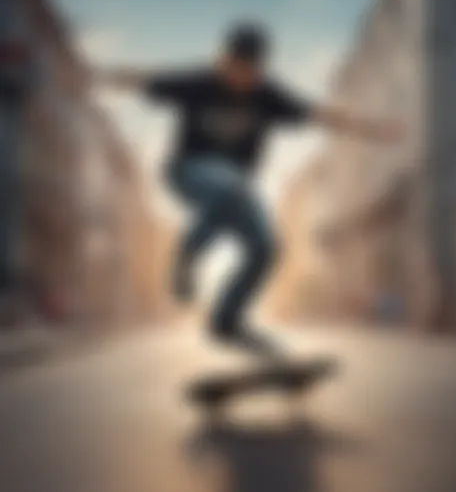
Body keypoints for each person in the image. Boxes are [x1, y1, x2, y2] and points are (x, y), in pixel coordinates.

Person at [96, 22, 403, 355]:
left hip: (236, 192)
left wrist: (372, 129)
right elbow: (142, 79)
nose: (241, 78)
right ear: (224, 60)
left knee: (266, 247)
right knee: (227, 182)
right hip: (187, 173)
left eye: (249, 71)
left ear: (259, 68)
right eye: (234, 68)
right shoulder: (199, 82)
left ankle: (226, 320)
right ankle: (187, 256)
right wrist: (97, 75)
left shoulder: (268, 94)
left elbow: (320, 114)